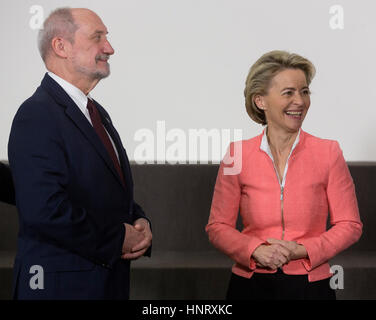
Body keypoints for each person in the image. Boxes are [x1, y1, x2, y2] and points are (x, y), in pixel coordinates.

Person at [8, 7, 152, 300]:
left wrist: (140, 222)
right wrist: (118, 238)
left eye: (107, 38)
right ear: (61, 46)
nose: (109, 48)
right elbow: (45, 211)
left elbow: (104, 190)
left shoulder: (97, 113)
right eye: (97, 37)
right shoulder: (36, 114)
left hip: (105, 283)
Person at [206, 50, 362, 300]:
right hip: (250, 284)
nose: (299, 101)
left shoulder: (328, 152)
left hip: (312, 285)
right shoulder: (236, 154)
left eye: (305, 91)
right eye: (288, 93)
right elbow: (218, 226)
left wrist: (302, 250)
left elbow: (350, 225)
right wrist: (254, 249)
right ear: (261, 101)